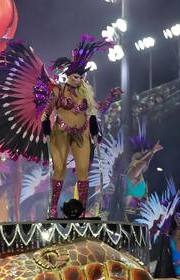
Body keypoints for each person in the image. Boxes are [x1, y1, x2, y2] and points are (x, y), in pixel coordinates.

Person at [38, 45, 120, 218]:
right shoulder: (57, 90)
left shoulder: (86, 93)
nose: (79, 80)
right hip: (60, 132)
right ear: (68, 76)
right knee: (59, 170)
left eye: (81, 77)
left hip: (81, 134)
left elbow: (98, 109)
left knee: (83, 170)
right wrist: (45, 127)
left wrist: (111, 97)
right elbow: (46, 113)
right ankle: (53, 209)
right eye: (76, 76)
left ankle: (81, 210)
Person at [122, 136, 164, 218]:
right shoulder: (132, 172)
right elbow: (142, 164)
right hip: (127, 217)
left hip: (136, 216)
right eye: (143, 154)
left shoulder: (141, 178)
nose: (147, 164)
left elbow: (142, 200)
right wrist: (152, 152)